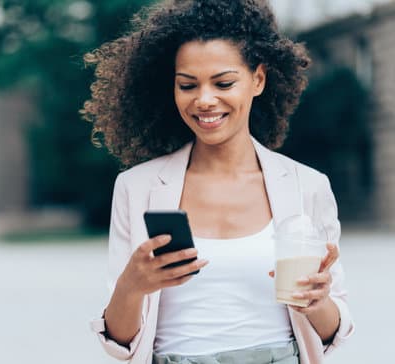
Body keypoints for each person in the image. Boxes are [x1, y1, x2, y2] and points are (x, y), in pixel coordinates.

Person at [81, 1, 354, 363]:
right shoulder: (138, 187)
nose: (204, 100)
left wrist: (317, 303)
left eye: (223, 83)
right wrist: (132, 286)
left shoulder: (307, 186)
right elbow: (120, 343)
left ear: (257, 79)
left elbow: (334, 331)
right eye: (187, 85)